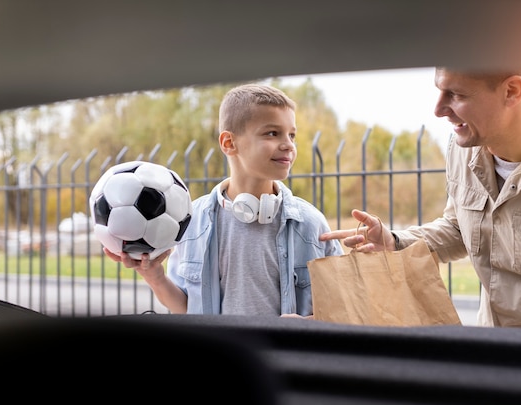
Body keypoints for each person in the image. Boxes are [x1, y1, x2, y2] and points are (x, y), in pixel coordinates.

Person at [320, 64, 521, 334]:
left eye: (456, 94)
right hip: (492, 353)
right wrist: (395, 242)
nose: (438, 109)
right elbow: (459, 227)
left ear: (512, 91)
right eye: (440, 91)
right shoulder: (463, 148)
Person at [105, 83, 343, 316]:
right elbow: (187, 310)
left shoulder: (311, 225)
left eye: (292, 135)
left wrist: (306, 324)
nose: (289, 145)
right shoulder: (190, 222)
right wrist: (155, 277)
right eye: (273, 133)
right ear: (229, 143)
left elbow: (344, 311)